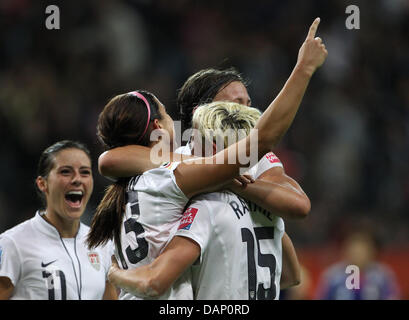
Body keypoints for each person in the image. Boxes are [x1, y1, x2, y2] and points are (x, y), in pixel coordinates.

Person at [87, 17, 327, 299]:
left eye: (248, 103)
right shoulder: (188, 180)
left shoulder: (224, 170)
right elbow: (110, 161)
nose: (248, 112)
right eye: (236, 103)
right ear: (205, 113)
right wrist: (303, 69)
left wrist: (233, 185)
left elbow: (298, 210)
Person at [107, 102, 304, 299]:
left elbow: (155, 281)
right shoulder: (269, 208)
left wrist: (114, 273)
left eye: (192, 140)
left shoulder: (206, 206)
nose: (187, 150)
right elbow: (291, 276)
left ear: (213, 150)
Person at [0, 140, 117, 300]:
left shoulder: (102, 244)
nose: (77, 179)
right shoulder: (13, 243)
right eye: (65, 172)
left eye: (85, 172)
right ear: (43, 183)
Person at [315, 229, 400, 300]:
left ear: (371, 252)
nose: (358, 255)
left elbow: (392, 296)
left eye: (362, 251)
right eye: (354, 251)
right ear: (345, 251)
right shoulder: (332, 276)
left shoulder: (383, 275)